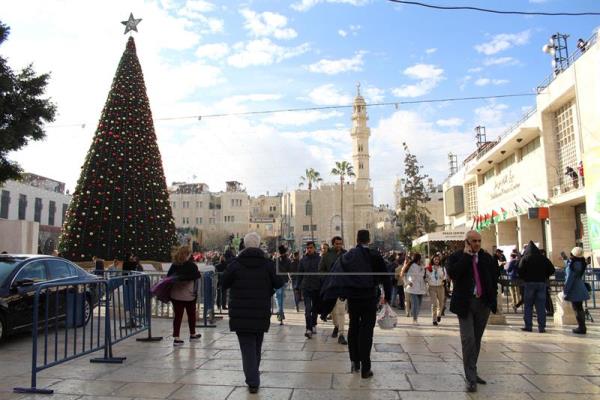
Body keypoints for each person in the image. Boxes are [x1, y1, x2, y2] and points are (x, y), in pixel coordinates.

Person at [321, 230, 391, 379]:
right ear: (369, 239)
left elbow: (337, 272)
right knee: (367, 331)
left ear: (357, 239)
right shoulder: (374, 255)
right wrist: (388, 297)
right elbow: (385, 277)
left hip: (353, 298)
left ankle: (354, 362)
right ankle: (366, 367)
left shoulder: (349, 255)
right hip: (369, 298)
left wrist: (338, 293)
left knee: (354, 327)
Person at [222, 232, 284, 393]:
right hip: (260, 310)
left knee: (247, 347)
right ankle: (253, 375)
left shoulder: (235, 263)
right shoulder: (267, 264)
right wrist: (267, 291)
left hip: (240, 312)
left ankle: (253, 380)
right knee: (256, 345)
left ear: (244, 244)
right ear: (258, 245)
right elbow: (278, 282)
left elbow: (224, 283)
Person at [447, 230, 498, 393]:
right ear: (467, 242)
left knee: (476, 339)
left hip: (482, 303)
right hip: (465, 304)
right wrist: (467, 256)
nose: (477, 244)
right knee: (468, 339)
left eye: (479, 241)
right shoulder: (456, 257)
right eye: (473, 241)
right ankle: (470, 378)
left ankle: (473, 371)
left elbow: (494, 277)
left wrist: (492, 299)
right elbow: (454, 273)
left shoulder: (486, 257)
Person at [167, 246, 202, 347]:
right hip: (189, 295)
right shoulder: (192, 266)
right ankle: (192, 334)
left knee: (178, 316)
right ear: (187, 254)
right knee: (191, 315)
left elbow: (169, 277)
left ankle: (176, 338)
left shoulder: (174, 265)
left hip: (176, 295)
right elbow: (196, 276)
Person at [518, 241, 555, 332]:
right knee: (541, 306)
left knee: (528, 306)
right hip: (541, 284)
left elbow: (520, 270)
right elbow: (552, 270)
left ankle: (528, 326)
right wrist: (545, 276)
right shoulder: (543, 258)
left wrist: (525, 277)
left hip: (529, 283)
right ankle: (541, 327)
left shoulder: (525, 258)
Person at [318, 236, 347, 345]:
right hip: (331, 287)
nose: (339, 246)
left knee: (341, 311)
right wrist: (329, 277)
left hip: (342, 287)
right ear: (333, 244)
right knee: (334, 311)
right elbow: (320, 271)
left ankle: (341, 334)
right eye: (337, 244)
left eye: (340, 243)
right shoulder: (327, 256)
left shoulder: (346, 254)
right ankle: (336, 326)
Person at [296, 241, 321, 338]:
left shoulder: (319, 259)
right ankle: (308, 329)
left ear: (314, 248)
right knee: (307, 309)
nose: (309, 249)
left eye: (311, 247)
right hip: (306, 288)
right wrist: (297, 286)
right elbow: (299, 274)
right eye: (308, 248)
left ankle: (314, 324)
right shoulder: (303, 260)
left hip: (316, 287)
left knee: (314, 309)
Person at [563, 247, 589, 334]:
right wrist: (565, 259)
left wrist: (565, 291)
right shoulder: (581, 263)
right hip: (580, 287)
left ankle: (581, 327)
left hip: (574, 288)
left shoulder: (572, 265)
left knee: (577, 308)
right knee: (579, 307)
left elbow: (569, 279)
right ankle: (582, 326)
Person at [402, 253, 427, 324]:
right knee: (415, 303)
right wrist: (407, 282)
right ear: (418, 259)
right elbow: (403, 274)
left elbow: (422, 275)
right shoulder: (411, 266)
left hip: (421, 287)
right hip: (413, 287)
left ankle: (414, 314)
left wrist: (423, 268)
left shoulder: (421, 266)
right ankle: (415, 319)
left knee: (419, 304)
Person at [426, 255, 446, 326]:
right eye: (435, 259)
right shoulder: (429, 268)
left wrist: (442, 278)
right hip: (432, 287)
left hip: (440, 287)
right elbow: (427, 277)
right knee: (434, 304)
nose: (437, 261)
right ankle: (434, 320)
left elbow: (444, 277)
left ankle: (439, 315)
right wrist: (429, 282)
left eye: (438, 259)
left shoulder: (442, 268)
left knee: (441, 303)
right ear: (432, 260)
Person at [275, 245, 292, 325]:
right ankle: (280, 314)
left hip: (277, 281)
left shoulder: (276, 260)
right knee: (280, 297)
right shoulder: (288, 260)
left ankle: (280, 314)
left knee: (278, 297)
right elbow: (289, 270)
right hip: (284, 281)